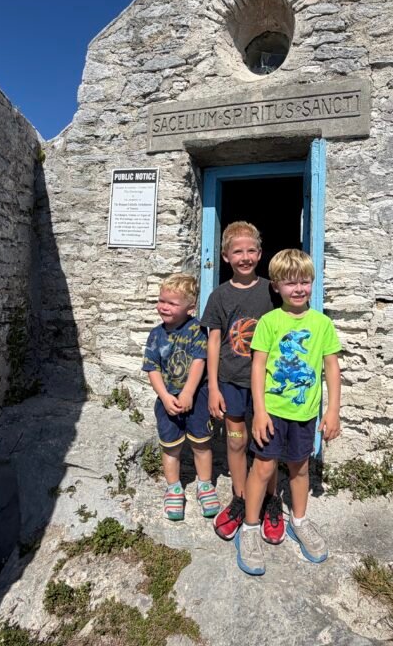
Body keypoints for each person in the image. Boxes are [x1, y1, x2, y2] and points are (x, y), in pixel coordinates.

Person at [235, 249, 343, 576]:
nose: (298, 289)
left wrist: (333, 410)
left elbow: (332, 369)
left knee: (299, 469)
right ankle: (250, 528)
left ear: (312, 283)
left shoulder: (322, 324)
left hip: (305, 414)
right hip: (272, 411)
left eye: (305, 282)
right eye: (290, 283)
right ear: (277, 287)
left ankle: (298, 521)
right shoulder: (270, 322)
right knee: (264, 469)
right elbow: (257, 369)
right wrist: (261, 412)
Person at [201, 221, 283, 543]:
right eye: (238, 251)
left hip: (267, 383)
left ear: (260, 254)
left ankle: (271, 500)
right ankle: (240, 498)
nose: (245, 257)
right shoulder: (219, 296)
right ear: (225, 256)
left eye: (251, 250)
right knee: (235, 440)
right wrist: (213, 387)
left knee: (267, 444)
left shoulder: (271, 291)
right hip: (231, 382)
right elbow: (213, 342)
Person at [142, 273, 220, 521]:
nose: (163, 306)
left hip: (196, 398)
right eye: (161, 300)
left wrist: (188, 392)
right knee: (170, 446)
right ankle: (174, 488)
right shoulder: (156, 335)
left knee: (201, 443)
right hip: (168, 399)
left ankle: (205, 485)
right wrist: (165, 397)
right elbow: (151, 368)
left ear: (190, 308)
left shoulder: (197, 330)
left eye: (172, 303)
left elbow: (200, 361)